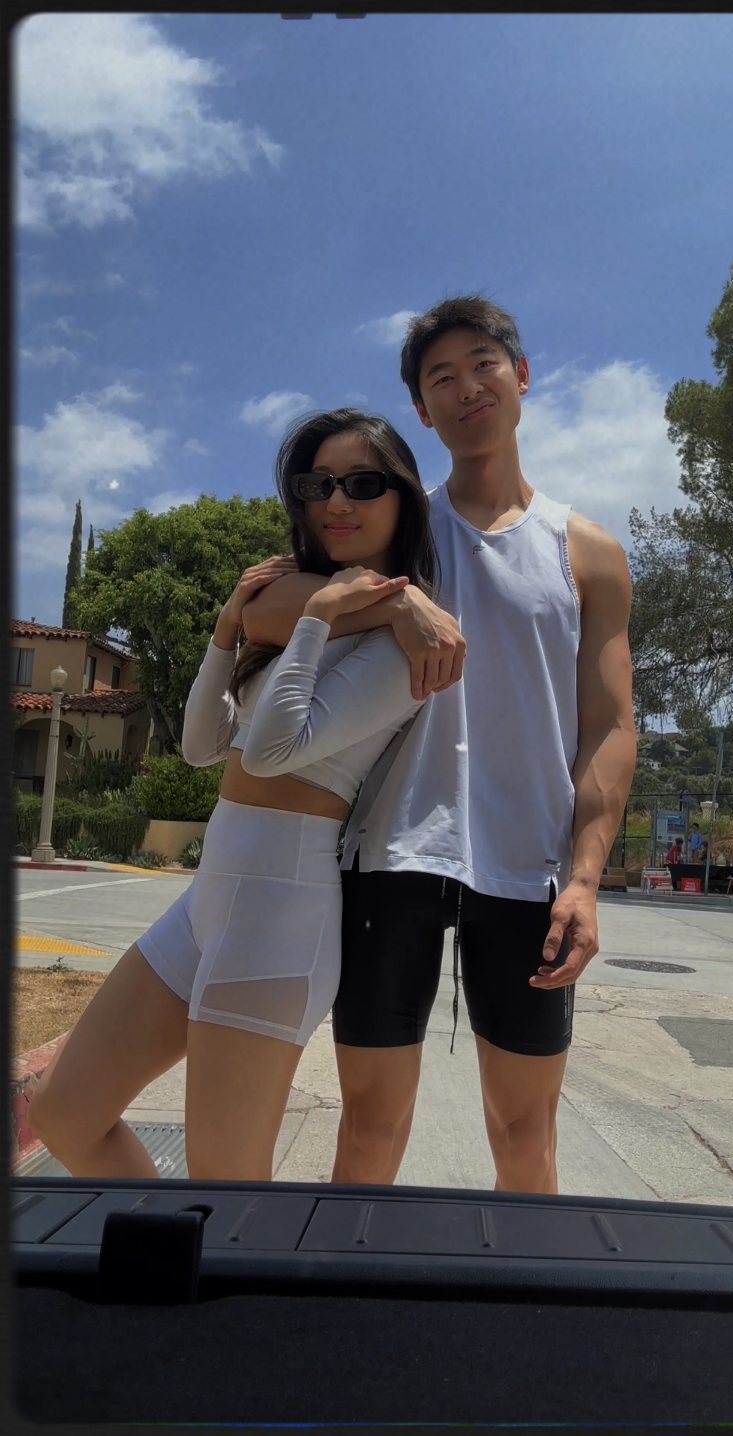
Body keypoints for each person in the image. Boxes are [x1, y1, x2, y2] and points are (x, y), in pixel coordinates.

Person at [243, 295, 637, 1194]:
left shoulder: (589, 553)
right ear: (420, 411)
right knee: (371, 1126)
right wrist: (397, 595)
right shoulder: (391, 525)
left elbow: (610, 725)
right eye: (440, 379)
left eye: (482, 365)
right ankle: (353, 1309)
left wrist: (583, 878)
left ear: (521, 376)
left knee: (525, 1131)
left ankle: (518, 1317)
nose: (466, 389)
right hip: (391, 854)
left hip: (527, 865)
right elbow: (262, 601)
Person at [29, 409, 456, 1182]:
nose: (337, 501)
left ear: (403, 497)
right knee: (62, 1112)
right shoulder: (298, 605)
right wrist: (229, 626)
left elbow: (271, 750)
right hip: (206, 903)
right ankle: (178, 1264)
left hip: (278, 918)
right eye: (315, 483)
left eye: (362, 483)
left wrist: (321, 620)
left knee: (226, 1183)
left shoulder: (407, 642)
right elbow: (201, 747)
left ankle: (225, 1294)